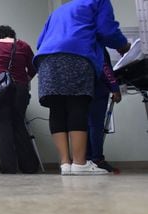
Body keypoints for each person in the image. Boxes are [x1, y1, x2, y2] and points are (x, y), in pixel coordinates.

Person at [34, 0, 130, 175]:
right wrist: (124, 46)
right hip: (76, 55)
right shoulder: (99, 1)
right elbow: (107, 30)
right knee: (77, 105)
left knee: (57, 109)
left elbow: (40, 41)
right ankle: (79, 163)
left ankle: (65, 163)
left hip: (46, 59)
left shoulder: (60, 10)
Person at [0, 25, 40, 174]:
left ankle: (9, 167)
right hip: (20, 90)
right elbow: (34, 68)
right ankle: (30, 167)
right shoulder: (23, 45)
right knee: (19, 125)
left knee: (3, 128)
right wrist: (22, 81)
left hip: (0, 91)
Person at [87, 49, 122, 173]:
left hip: (79, 89)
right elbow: (105, 67)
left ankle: (86, 160)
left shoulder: (78, 43)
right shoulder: (98, 45)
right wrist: (115, 88)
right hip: (97, 89)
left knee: (84, 126)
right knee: (96, 126)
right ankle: (97, 159)